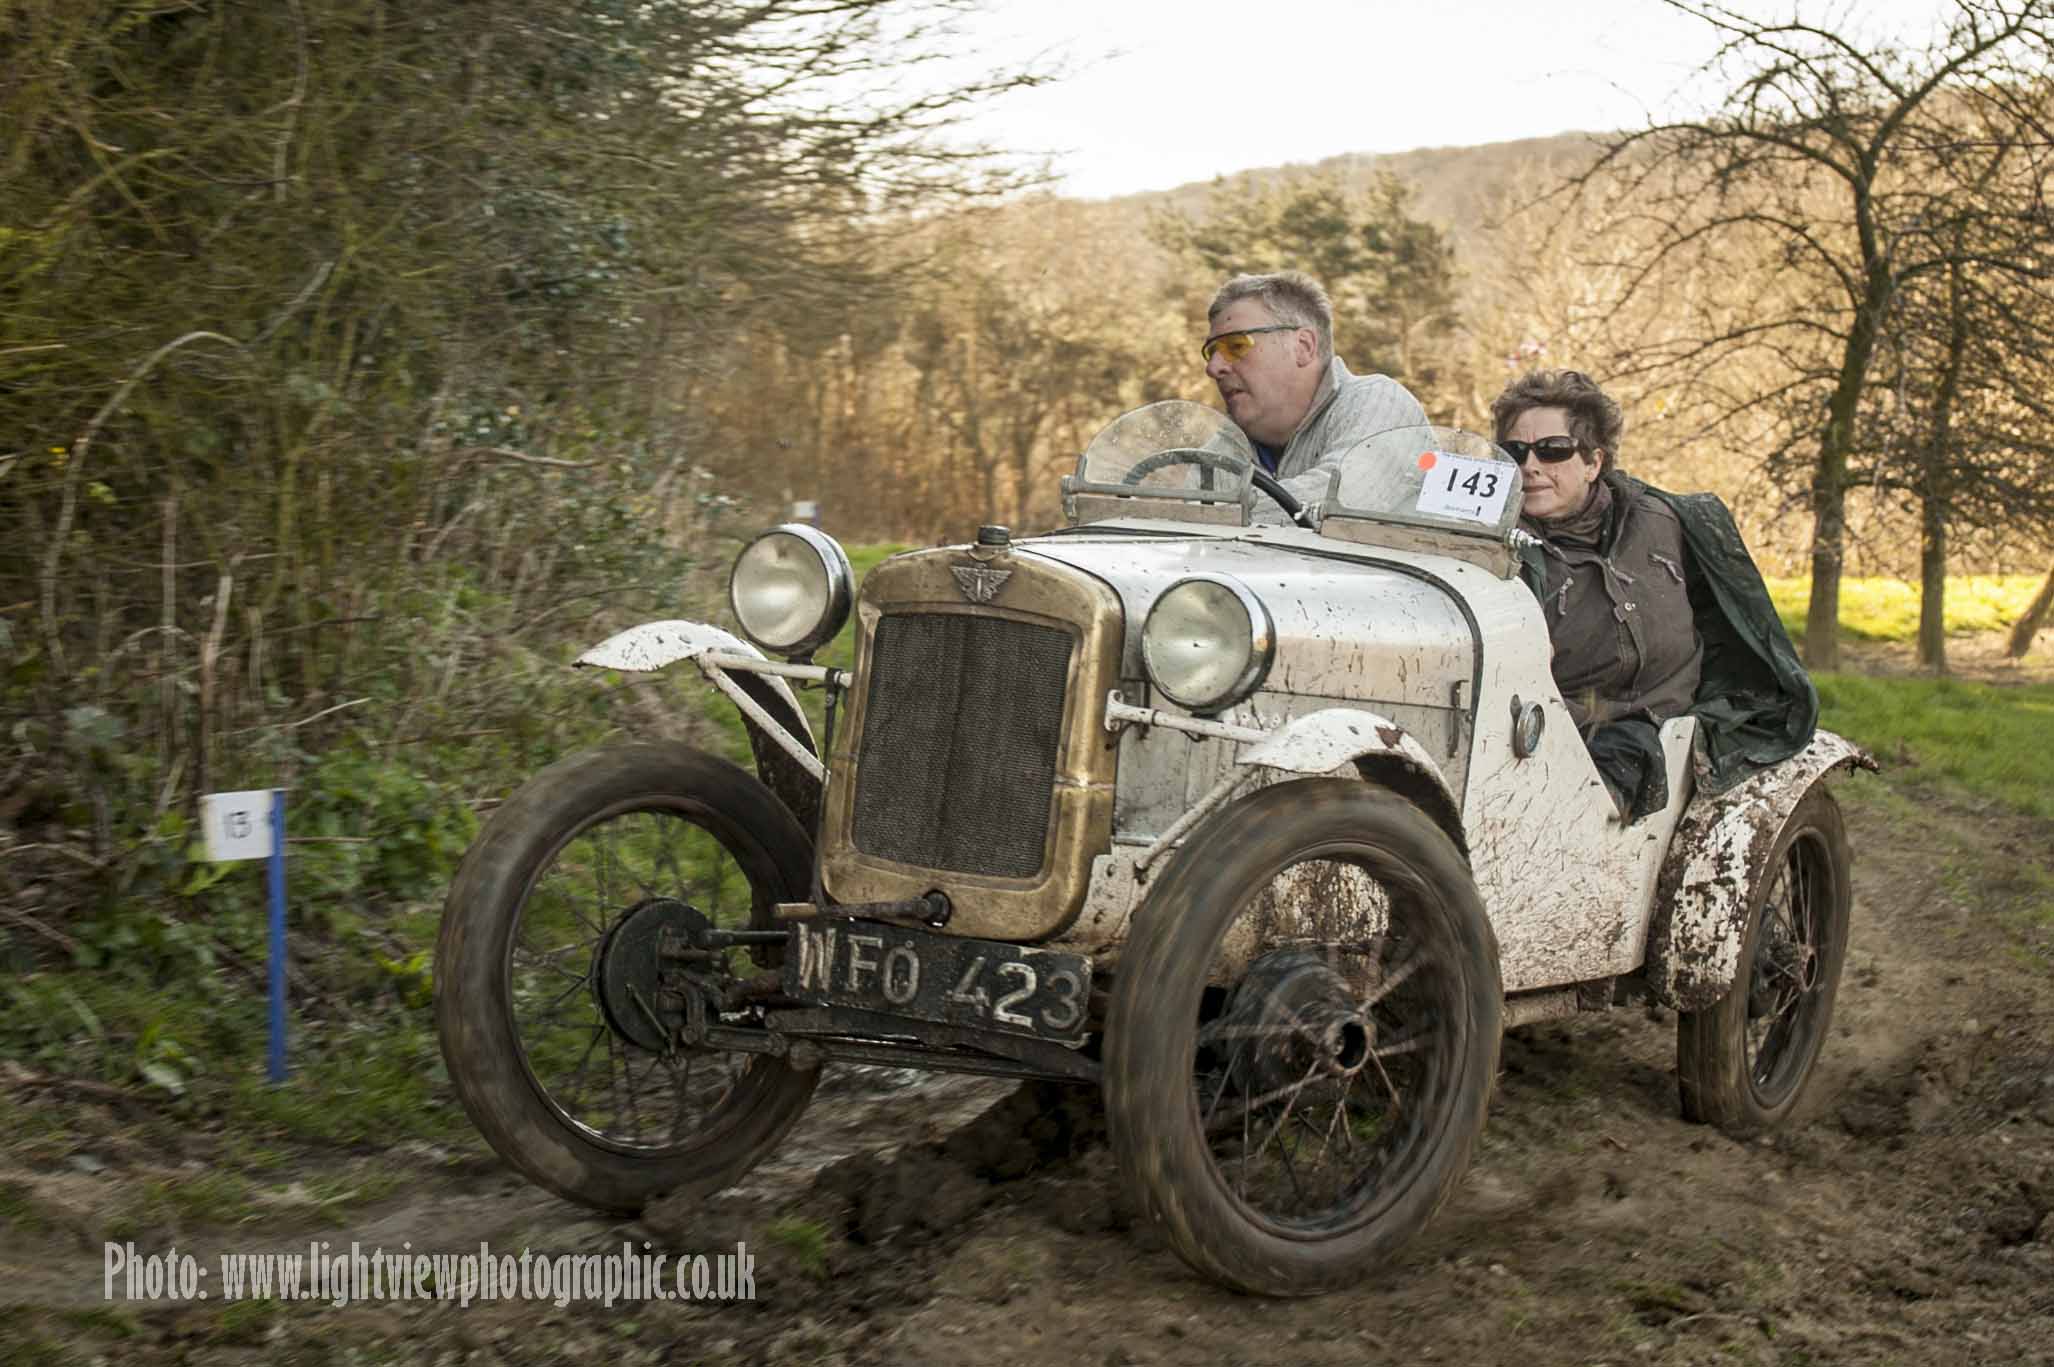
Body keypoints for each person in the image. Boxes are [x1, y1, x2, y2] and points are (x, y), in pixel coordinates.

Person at [1491, 370, 1817, 820]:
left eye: (1553, 450)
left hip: (1659, 728)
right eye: (1514, 451)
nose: (1530, 466)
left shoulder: (1661, 519)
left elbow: (1723, 615)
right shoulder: (1491, 548)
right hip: (1552, 732)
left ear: (1593, 462)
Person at [1202, 272, 1427, 520]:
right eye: (1211, 352)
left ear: (1304, 346)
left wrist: (1214, 513)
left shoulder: (1380, 403)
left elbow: (1336, 505)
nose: (1213, 368)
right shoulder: (1226, 444)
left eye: (1235, 346)